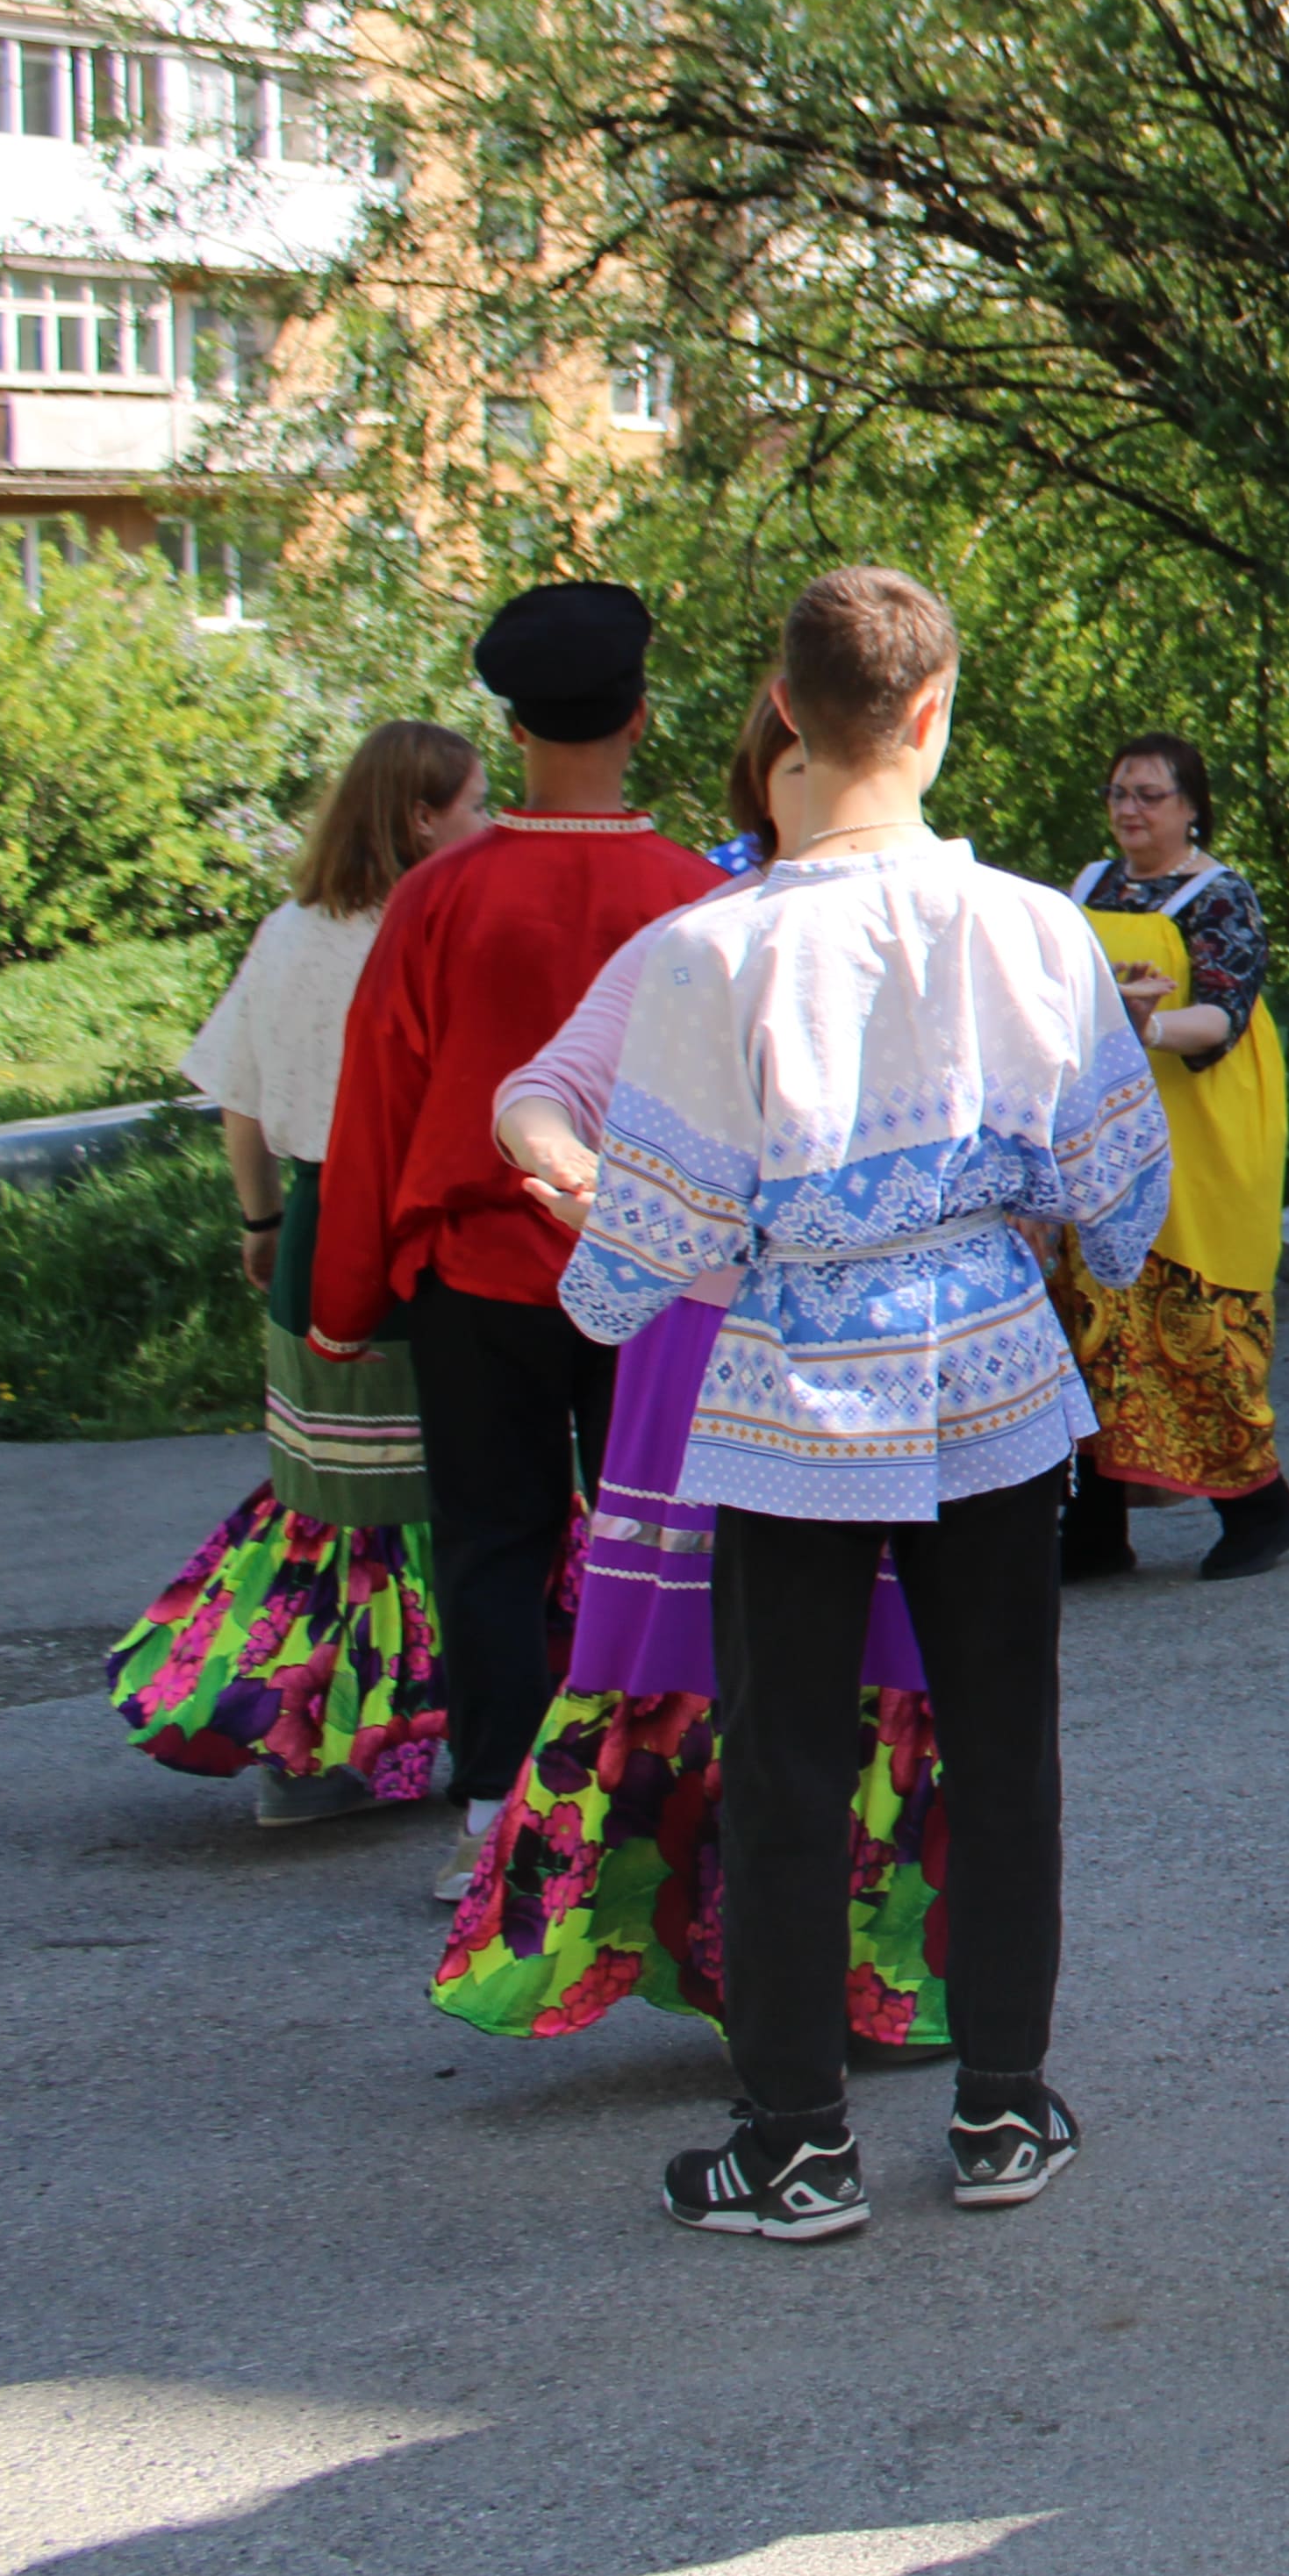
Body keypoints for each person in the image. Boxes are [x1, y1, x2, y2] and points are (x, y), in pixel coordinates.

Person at [562, 568, 1168, 2243]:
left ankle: (797, 2137)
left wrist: (600, 1264)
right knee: (1004, 1750)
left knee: (784, 1763)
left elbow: (655, 1239)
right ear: (931, 708)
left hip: (787, 1405)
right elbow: (1119, 1191)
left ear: (788, 707)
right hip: (987, 1378)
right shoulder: (1038, 926)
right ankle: (1002, 2104)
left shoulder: (710, 952)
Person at [444, 692, 959, 2059]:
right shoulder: (695, 945)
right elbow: (540, 1089)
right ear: (761, 788)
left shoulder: (944, 930)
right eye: (789, 768)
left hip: (893, 1359)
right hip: (711, 1363)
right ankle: (754, 1963)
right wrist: (575, 1169)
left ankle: (876, 1970)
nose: (815, 789)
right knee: (728, 1666)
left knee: (880, 1666)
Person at [314, 583, 728, 1900]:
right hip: (656, 1275)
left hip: (478, 1274)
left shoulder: (440, 897)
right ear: (640, 715)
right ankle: (654, 1801)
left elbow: (375, 1095)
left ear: (512, 720)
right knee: (658, 1535)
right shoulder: (697, 895)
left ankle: (493, 1808)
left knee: (488, 1541)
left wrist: (344, 1295)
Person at [109, 721, 490, 1823]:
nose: (485, 820)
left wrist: (261, 1217)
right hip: (413, 1223)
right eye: (471, 804)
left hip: (317, 1218)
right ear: (421, 817)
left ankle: (308, 1744)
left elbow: (239, 1095)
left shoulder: (286, 930)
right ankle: (433, 1732)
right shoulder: (442, 926)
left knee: (329, 1495)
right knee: (442, 1489)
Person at [1056, 734, 1289, 1583]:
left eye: (1150, 795)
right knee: (1091, 1325)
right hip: (1104, 1136)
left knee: (1194, 1327)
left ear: (1190, 805)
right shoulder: (1087, 888)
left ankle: (1261, 1508)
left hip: (1198, 1130)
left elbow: (1225, 1013)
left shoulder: (1219, 894)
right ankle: (1094, 1526)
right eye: (1119, 792)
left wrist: (1146, 1027)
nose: (1130, 809)